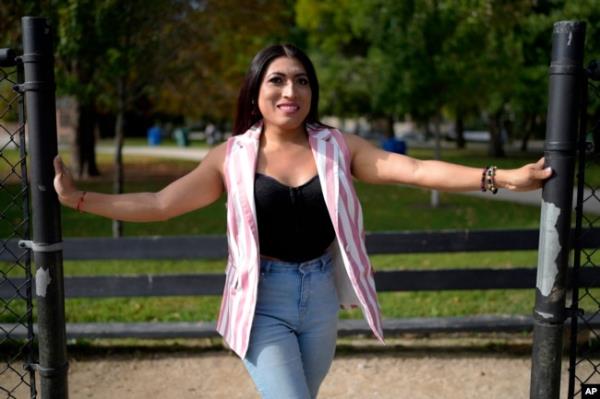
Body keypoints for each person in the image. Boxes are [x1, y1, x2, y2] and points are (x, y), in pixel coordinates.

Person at [53, 44, 552, 399]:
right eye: (277, 79)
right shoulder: (231, 157)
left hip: (319, 299)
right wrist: (78, 199)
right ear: (256, 92)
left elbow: (418, 170)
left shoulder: (338, 147)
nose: (291, 89)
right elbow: (160, 203)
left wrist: (502, 177)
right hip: (260, 302)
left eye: (301, 79)